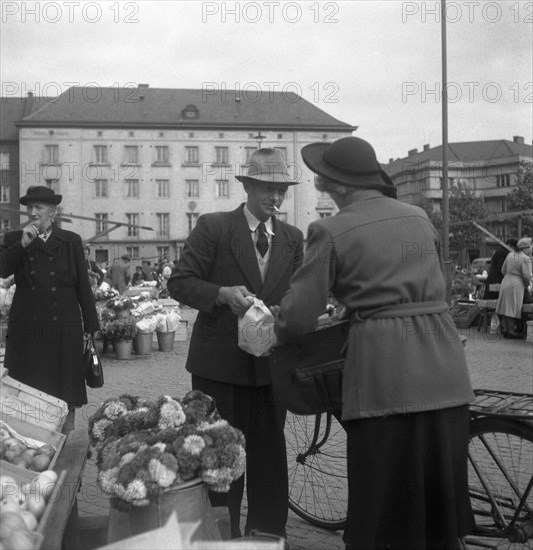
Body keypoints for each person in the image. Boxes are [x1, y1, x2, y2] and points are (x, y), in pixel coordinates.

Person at [272, 137, 475, 550]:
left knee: (383, 506)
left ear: (339, 184)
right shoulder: (419, 216)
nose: (319, 180)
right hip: (444, 368)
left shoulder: (329, 229)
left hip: (385, 375)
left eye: (324, 174)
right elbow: (441, 289)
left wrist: (274, 327)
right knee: (436, 509)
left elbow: (298, 318)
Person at [168, 148, 304, 539]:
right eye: (268, 189)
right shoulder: (214, 228)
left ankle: (266, 538)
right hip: (219, 372)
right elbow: (178, 282)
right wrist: (221, 294)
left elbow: (297, 294)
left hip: (268, 373)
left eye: (281, 191)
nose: (276, 199)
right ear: (248, 187)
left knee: (268, 463)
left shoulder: (293, 239)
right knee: (220, 464)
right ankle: (219, 539)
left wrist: (286, 311)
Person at [0, 186, 100, 431]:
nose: (33, 212)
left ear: (52, 212)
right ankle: (31, 436)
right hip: (27, 329)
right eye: (29, 208)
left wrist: (91, 324)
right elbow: (2, 270)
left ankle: (66, 439)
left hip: (64, 325)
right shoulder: (15, 238)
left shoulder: (70, 241)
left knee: (66, 387)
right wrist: (22, 244)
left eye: (39, 207)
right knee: (28, 389)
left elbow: (82, 286)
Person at [496, 237, 533, 338]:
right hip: (516, 284)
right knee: (513, 308)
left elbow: (503, 270)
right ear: (525, 248)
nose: (531, 250)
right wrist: (527, 285)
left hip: (506, 281)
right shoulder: (526, 258)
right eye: (530, 247)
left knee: (506, 307)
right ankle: (512, 332)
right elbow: (527, 276)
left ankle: (506, 330)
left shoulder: (510, 255)